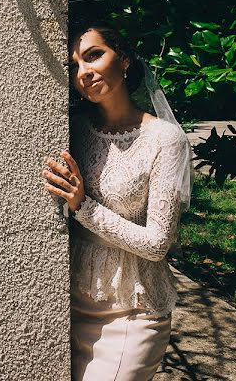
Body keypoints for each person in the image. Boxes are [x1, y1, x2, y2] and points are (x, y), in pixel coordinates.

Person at [43, 23, 193, 381]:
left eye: (94, 55)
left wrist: (83, 206)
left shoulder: (164, 139)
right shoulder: (73, 129)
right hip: (71, 304)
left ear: (124, 60)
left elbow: (158, 244)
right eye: (74, 65)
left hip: (134, 310)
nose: (84, 72)